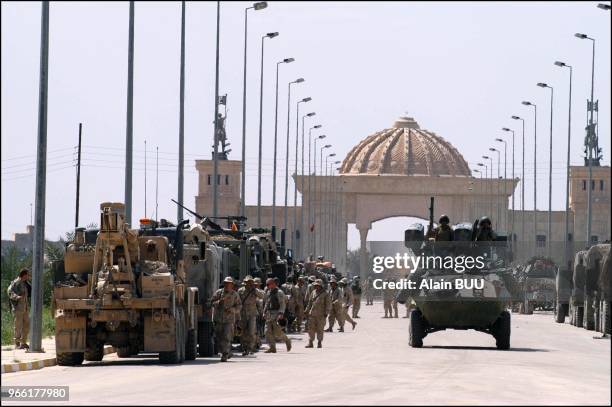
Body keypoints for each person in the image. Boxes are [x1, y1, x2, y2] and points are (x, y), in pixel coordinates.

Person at [210, 276, 242, 362]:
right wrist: (218, 302)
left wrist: (232, 310)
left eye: (229, 284)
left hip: (229, 320)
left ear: (232, 285)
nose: (227, 285)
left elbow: (239, 306)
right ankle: (226, 352)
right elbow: (211, 302)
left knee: (227, 337)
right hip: (218, 319)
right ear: (224, 284)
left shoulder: (235, 294)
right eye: (226, 283)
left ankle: (225, 354)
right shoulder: (219, 293)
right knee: (219, 337)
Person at [263, 278, 292, 353]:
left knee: (277, 332)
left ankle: (287, 340)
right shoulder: (269, 292)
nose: (267, 286)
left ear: (273, 284)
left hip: (276, 313)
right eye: (267, 284)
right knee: (267, 331)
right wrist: (264, 312)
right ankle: (272, 347)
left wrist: (281, 313)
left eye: (268, 284)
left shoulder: (279, 292)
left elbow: (282, 304)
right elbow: (267, 303)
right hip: (269, 314)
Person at [237, 276, 264, 355]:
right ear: (245, 283)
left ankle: (251, 347)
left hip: (252, 313)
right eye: (248, 282)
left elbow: (262, 296)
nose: (249, 284)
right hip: (243, 313)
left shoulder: (255, 290)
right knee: (243, 331)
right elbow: (237, 300)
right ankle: (244, 347)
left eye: (250, 282)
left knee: (251, 331)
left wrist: (254, 290)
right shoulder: (240, 290)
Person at [7, 268, 30, 349]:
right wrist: (17, 297)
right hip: (18, 308)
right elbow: (9, 291)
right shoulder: (17, 282)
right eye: (28, 274)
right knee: (18, 326)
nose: (29, 276)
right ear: (24, 275)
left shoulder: (24, 283)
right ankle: (17, 344)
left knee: (27, 325)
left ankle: (23, 343)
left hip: (25, 308)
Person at [304, 279, 331, 348]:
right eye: (315, 285)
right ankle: (311, 342)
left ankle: (319, 342)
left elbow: (328, 304)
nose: (316, 286)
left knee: (320, 329)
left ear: (321, 286)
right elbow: (310, 303)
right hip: (312, 314)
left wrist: (326, 312)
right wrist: (306, 310)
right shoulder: (313, 292)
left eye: (318, 285)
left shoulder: (326, 293)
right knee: (310, 328)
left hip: (321, 315)